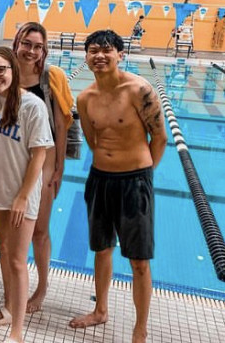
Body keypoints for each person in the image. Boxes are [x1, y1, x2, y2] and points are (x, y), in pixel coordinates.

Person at [68, 30, 166, 343]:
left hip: (134, 182)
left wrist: (144, 174)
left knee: (139, 261)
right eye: (93, 50)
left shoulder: (139, 90)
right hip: (100, 180)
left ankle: (140, 329)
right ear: (86, 56)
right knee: (102, 249)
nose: (99, 55)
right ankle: (101, 311)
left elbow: (160, 137)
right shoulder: (85, 99)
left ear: (119, 54)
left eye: (106, 50)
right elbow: (92, 140)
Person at [0, 46, 52, 342]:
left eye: (0, 70)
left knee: (18, 262)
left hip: (21, 195)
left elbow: (39, 156)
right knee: (5, 253)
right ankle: (9, 308)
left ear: (13, 69)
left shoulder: (32, 105)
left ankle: (17, 333)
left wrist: (23, 196)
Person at [12, 22, 74, 313]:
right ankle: (15, 280)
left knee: (39, 230)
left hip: (44, 162)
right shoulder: (4, 71)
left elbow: (61, 126)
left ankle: (41, 286)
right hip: (10, 159)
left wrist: (59, 169)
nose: (32, 51)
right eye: (27, 44)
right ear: (17, 43)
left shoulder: (52, 77)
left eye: (38, 46)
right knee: (11, 229)